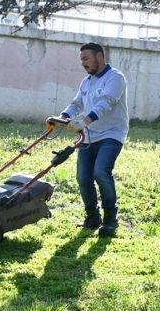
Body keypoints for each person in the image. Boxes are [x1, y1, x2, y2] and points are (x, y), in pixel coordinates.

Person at [48, 42, 129, 238]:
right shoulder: (87, 81)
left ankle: (110, 220)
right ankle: (92, 217)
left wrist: (84, 121)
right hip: (89, 135)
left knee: (101, 172)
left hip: (111, 134)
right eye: (81, 60)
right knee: (83, 177)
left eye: (86, 58)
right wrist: (63, 117)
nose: (83, 63)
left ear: (100, 56)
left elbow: (106, 103)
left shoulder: (115, 78)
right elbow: (77, 103)